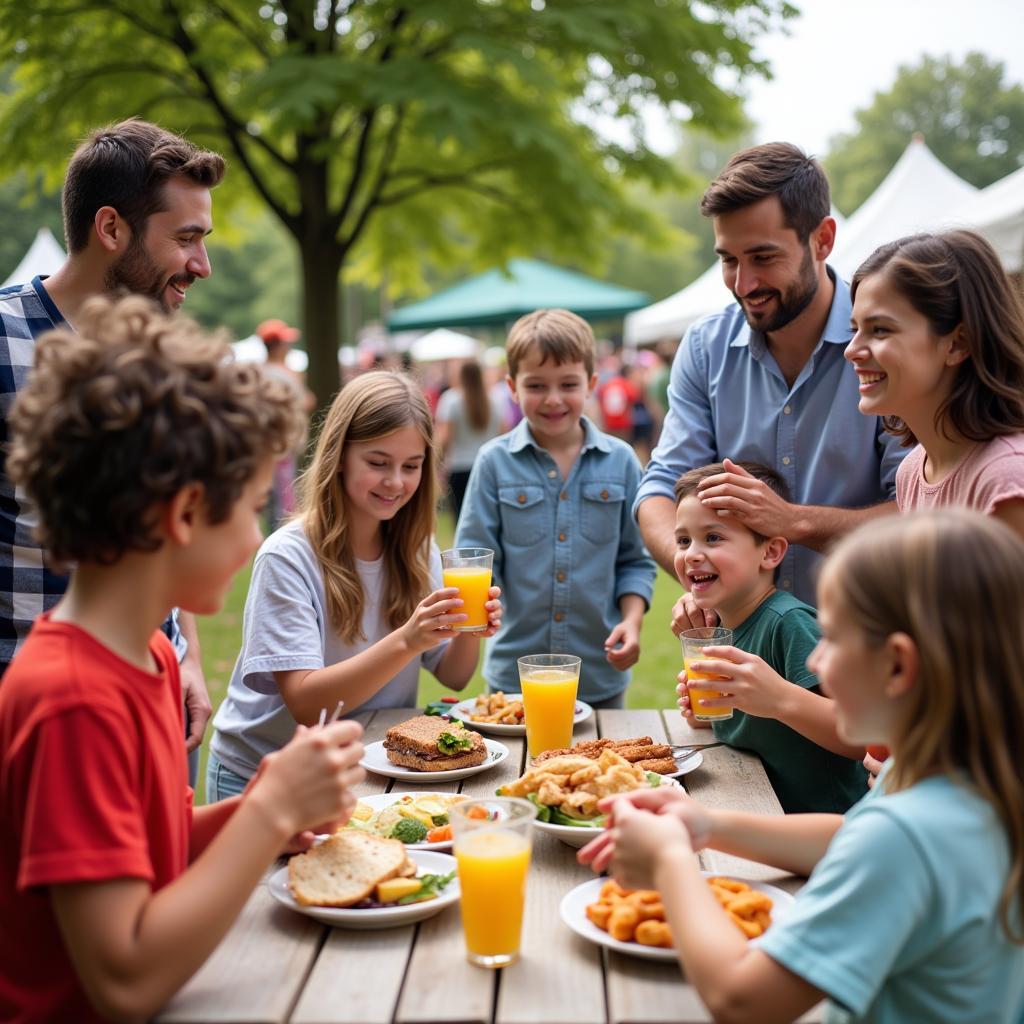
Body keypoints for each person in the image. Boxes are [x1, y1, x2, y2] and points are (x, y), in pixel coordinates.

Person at [0, 296, 366, 1023]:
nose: (253, 542)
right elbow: (125, 980)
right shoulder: (75, 698)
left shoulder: (149, 660)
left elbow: (148, 857)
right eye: (254, 507)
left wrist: (249, 818)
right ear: (185, 514)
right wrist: (266, 812)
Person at [580, 509, 1024, 1023]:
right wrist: (704, 825)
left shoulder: (905, 836)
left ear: (898, 665)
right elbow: (848, 835)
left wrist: (672, 861)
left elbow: (743, 1000)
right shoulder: (960, 779)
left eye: (832, 638)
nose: (814, 661)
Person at [0, 118, 225, 778]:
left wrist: (185, 654)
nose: (202, 265)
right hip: (43, 724)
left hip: (153, 702)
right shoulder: (5, 342)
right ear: (111, 230)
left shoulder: (162, 352)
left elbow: (159, 530)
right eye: (186, 239)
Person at [634, 142, 907, 610]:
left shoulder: (885, 343)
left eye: (763, 257)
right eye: (728, 260)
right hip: (744, 656)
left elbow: (920, 510)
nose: (743, 284)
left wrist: (794, 522)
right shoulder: (705, 348)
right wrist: (697, 574)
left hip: (867, 644)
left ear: (822, 239)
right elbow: (660, 490)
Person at [206, 370, 502, 800]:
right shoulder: (288, 556)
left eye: (411, 466)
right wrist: (407, 640)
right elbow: (307, 704)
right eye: (378, 463)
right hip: (262, 775)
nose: (395, 482)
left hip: (361, 769)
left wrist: (470, 628)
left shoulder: (417, 549)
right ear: (340, 456)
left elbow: (455, 676)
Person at [846, 228, 1024, 780]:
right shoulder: (912, 473)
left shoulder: (1006, 478)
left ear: (957, 343)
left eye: (880, 330)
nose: (853, 350)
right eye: (855, 329)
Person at [455, 308, 656, 708]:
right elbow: (472, 559)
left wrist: (631, 623)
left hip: (599, 676)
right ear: (512, 387)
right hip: (513, 680)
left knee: (600, 772)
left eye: (568, 384)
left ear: (591, 384)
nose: (553, 399)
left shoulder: (622, 461)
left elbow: (635, 561)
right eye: (536, 385)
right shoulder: (494, 462)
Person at [672, 463, 867, 813]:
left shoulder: (788, 623)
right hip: (758, 807)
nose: (692, 554)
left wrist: (778, 697)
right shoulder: (720, 632)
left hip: (826, 824)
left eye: (713, 537)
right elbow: (757, 723)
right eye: (683, 540)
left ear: (771, 552)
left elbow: (862, 736)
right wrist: (706, 712)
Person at [256, 317, 315, 529]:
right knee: (285, 499)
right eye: (286, 343)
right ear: (277, 346)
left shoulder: (259, 372)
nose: (288, 347)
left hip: (265, 443)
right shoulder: (283, 375)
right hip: (281, 444)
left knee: (270, 494)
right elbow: (306, 401)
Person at [435, 358, 504, 523]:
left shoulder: (451, 400)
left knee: (463, 522)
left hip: (459, 469)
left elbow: (444, 439)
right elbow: (503, 433)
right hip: (490, 468)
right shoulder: (494, 399)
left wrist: (437, 464)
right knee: (489, 520)